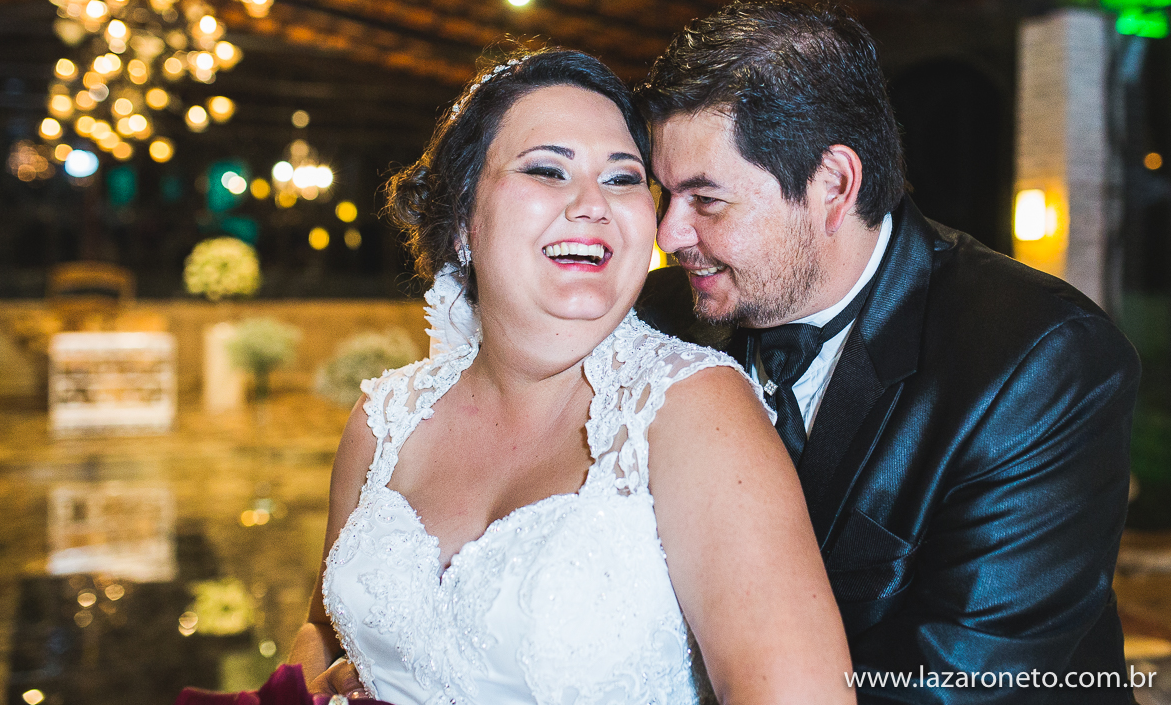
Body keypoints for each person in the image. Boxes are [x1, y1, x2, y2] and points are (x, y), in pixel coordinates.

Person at [288, 47, 855, 704]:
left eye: (622, 179)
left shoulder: (692, 411)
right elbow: (321, 630)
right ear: (464, 221)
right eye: (548, 171)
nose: (592, 203)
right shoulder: (383, 421)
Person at [634, 0, 1142, 703]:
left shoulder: (1038, 359)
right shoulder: (652, 320)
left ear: (834, 186)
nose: (669, 232)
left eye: (706, 200)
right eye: (664, 193)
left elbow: (949, 685)